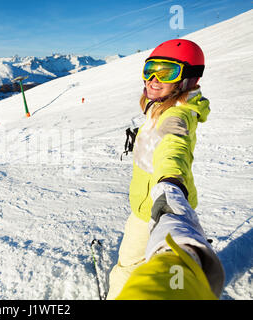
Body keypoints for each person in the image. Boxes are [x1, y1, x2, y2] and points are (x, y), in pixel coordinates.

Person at [107, 39, 224, 299]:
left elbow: (174, 146)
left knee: (127, 267)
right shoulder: (163, 105)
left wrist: (169, 185)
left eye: (166, 72)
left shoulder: (176, 115)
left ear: (190, 79)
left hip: (158, 204)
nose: (152, 79)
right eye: (149, 70)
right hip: (163, 199)